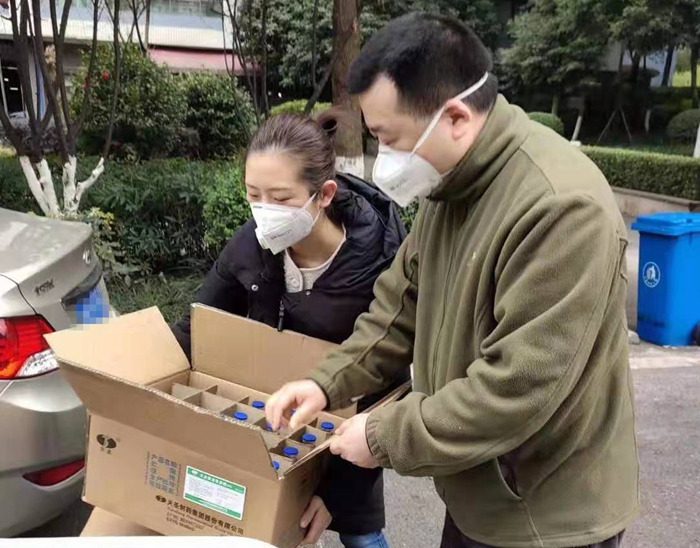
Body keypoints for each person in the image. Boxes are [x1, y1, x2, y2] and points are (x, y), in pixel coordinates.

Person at [265, 13, 640, 548]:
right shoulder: (450, 181)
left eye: (389, 139)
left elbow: (517, 389)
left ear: (457, 117)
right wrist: (326, 383)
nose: (382, 160)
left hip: (547, 512)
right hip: (480, 486)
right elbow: (398, 307)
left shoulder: (561, 208)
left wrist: (384, 436)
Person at [81, 111, 406, 547]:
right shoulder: (253, 243)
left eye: (281, 198)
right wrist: (134, 385)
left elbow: (384, 390)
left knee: (360, 536)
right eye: (254, 195)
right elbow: (195, 327)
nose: (264, 211)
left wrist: (336, 494)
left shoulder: (379, 266)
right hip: (269, 425)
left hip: (343, 435)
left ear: (324, 195)